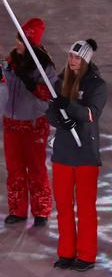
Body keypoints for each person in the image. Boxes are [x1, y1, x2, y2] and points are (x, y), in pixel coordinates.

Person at [47, 39, 107, 272]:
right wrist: (58, 117)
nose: (72, 61)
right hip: (62, 154)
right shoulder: (61, 81)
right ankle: (66, 252)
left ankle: (87, 255)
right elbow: (50, 113)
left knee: (85, 208)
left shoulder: (97, 85)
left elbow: (92, 113)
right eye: (70, 56)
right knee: (63, 206)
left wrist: (70, 107)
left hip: (85, 155)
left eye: (77, 57)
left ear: (86, 60)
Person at [1, 18, 56, 227]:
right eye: (18, 39)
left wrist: (33, 85)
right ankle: (18, 209)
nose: (18, 44)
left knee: (36, 169)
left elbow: (50, 95)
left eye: (22, 41)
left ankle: (41, 211)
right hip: (12, 124)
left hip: (33, 125)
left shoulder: (44, 67)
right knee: (14, 169)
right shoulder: (10, 61)